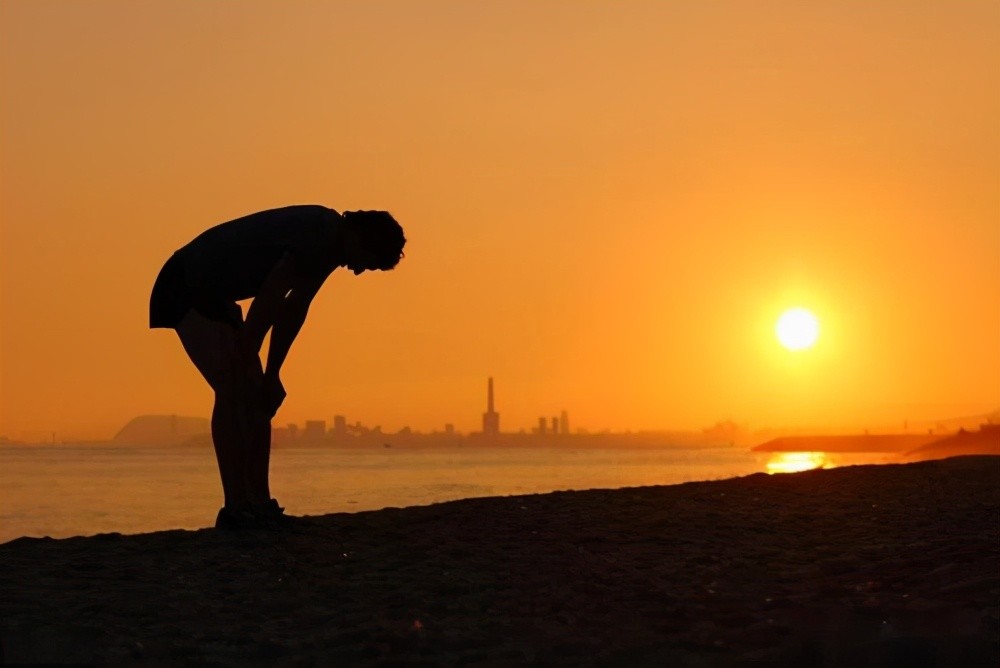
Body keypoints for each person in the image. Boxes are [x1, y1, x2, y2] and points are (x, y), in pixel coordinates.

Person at [150, 205, 405, 528]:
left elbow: (294, 309)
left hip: (215, 296)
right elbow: (270, 297)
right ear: (360, 238)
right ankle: (235, 508)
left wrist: (272, 375)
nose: (357, 272)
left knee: (258, 398)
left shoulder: (330, 247)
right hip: (184, 285)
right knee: (232, 388)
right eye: (367, 264)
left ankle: (259, 501)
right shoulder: (320, 233)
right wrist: (246, 354)